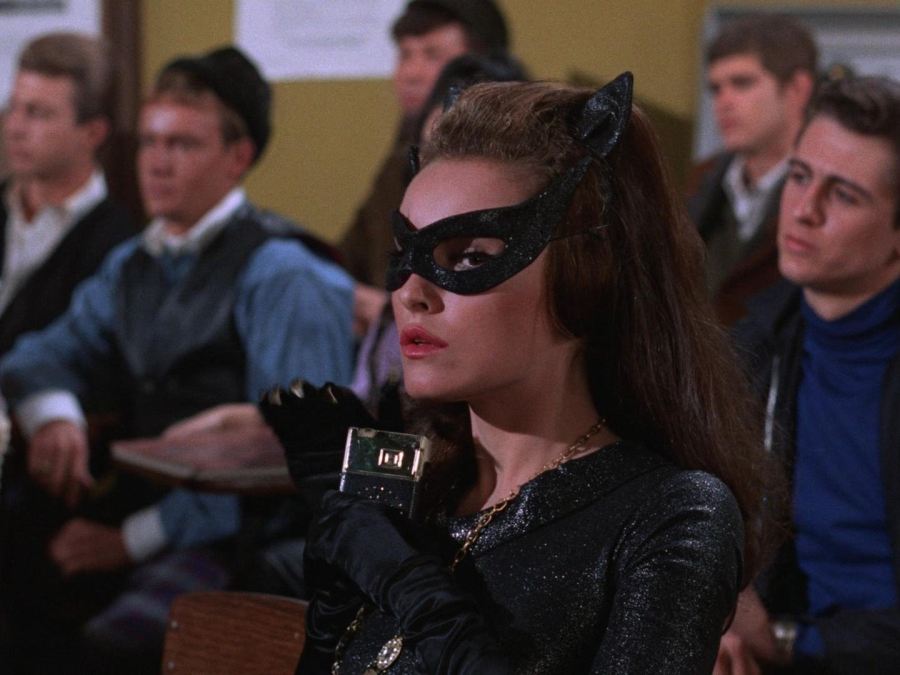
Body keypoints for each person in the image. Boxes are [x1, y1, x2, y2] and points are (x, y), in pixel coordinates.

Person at [294, 74, 779, 673]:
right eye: (405, 255)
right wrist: (333, 606)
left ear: (586, 274)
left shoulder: (672, 515)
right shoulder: (407, 486)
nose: (412, 293)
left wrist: (415, 592)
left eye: (468, 257)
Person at [0, 45, 355, 674]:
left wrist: (127, 541)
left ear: (237, 157)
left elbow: (295, 461)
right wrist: (55, 415)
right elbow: (38, 354)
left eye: (183, 145)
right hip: (139, 508)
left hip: (243, 540)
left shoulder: (284, 273)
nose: (157, 163)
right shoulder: (134, 264)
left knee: (105, 644)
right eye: (149, 143)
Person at [716, 76, 900, 675]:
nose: (804, 210)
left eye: (843, 195)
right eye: (799, 176)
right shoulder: (756, 346)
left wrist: (787, 640)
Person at [338, 0, 511, 291]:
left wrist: (380, 309)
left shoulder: (516, 162)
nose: (411, 73)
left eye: (433, 55)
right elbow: (350, 257)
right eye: (405, 55)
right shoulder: (402, 155)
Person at [0, 32, 136, 355]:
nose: (15, 128)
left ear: (92, 133)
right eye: (13, 108)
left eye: (37, 114)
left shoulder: (119, 245)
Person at [687, 14, 817, 325]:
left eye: (742, 83)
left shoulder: (828, 194)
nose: (724, 102)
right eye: (716, 89)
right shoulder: (700, 182)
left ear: (797, 89)